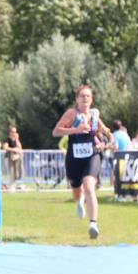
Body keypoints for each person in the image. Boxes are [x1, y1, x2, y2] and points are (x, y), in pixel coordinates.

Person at [52, 85, 112, 239]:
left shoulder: (94, 114)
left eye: (88, 96)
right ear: (77, 99)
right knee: (77, 188)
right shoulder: (72, 114)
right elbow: (56, 131)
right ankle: (79, 201)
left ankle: (93, 224)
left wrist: (109, 138)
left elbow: (103, 129)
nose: (85, 99)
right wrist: (75, 130)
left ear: (91, 100)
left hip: (92, 155)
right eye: (82, 96)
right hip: (74, 158)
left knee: (90, 187)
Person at [3, 125, 24, 191]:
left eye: (15, 132)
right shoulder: (7, 140)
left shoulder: (16, 140)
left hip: (17, 158)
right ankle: (11, 186)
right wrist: (13, 149)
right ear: (10, 132)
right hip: (10, 158)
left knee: (20, 172)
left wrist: (17, 139)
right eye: (12, 132)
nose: (14, 133)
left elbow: (20, 147)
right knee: (12, 173)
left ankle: (16, 184)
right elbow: (5, 147)